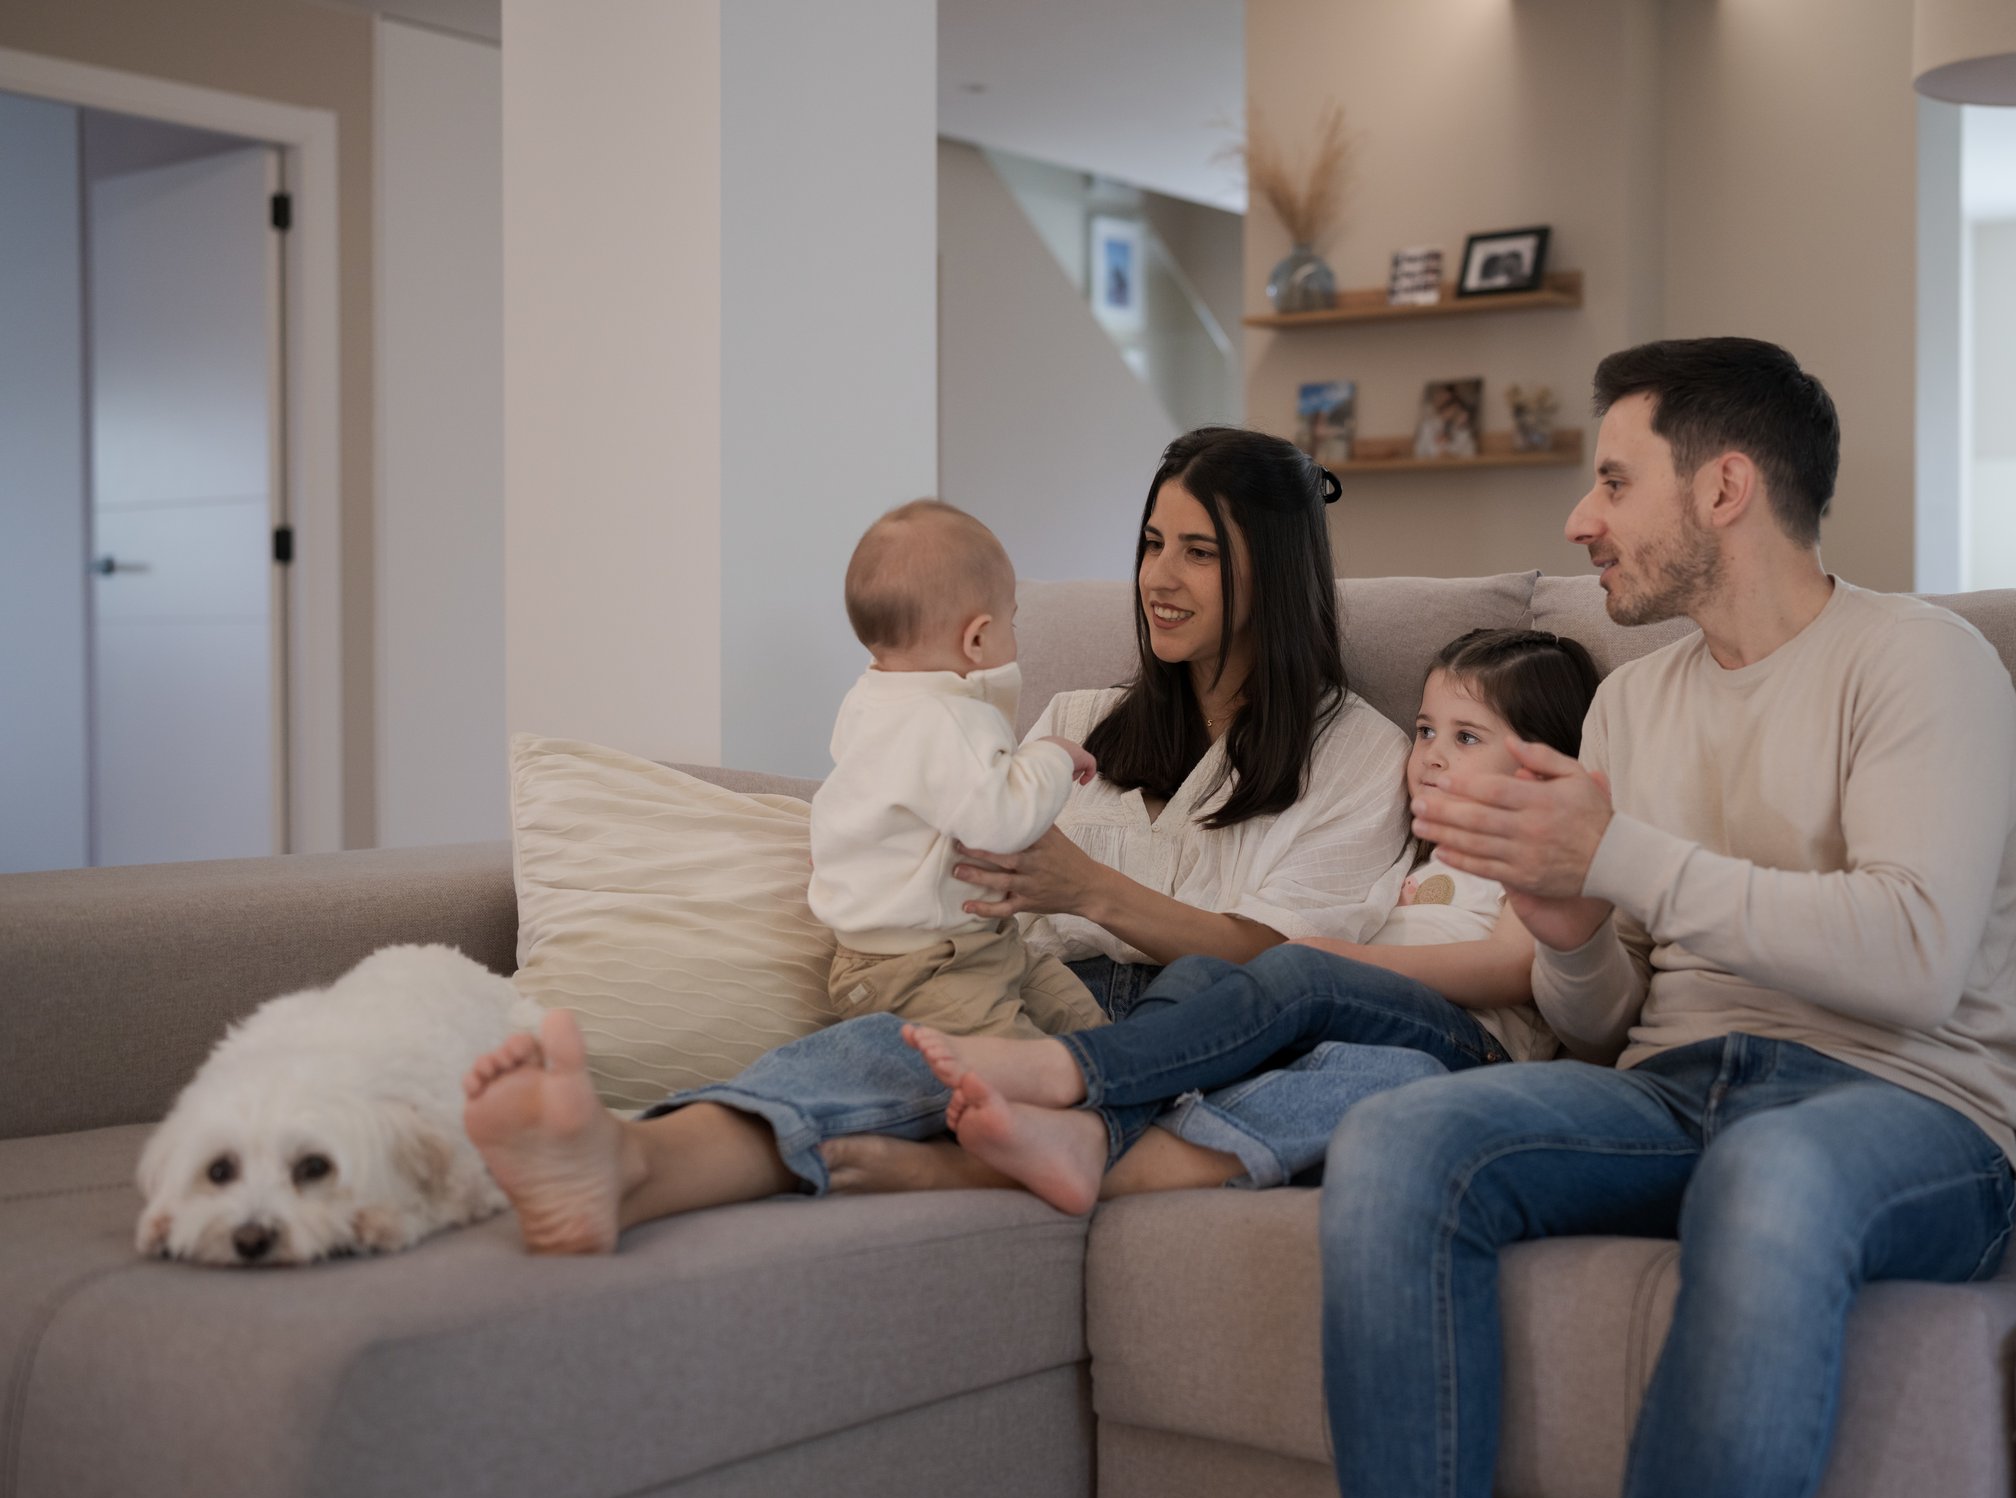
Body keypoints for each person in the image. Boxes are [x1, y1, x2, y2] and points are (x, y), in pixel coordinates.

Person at [1319, 337, 2016, 1498]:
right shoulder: (1631, 705)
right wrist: (1568, 924)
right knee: (1392, 1145)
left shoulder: (1921, 662)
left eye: (1613, 482)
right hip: (1675, 1089)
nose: (1579, 520)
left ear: (1723, 489)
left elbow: (1918, 959)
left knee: (1773, 1168)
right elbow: (1606, 1023)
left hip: (1911, 1107)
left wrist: (1624, 856)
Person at [461, 427, 1414, 1252]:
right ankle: (633, 1159)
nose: (1157, 578)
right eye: (1153, 543)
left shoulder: (1362, 756)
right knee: (890, 1046)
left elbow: (1291, 968)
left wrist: (1088, 890)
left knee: (1379, 1074)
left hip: (1200, 1026)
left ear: (1275, 573)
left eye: (1199, 552)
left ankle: (996, 1165)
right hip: (1032, 986)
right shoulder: (1078, 718)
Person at [903, 627, 1600, 1215]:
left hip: (1474, 1047)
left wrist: (1336, 962)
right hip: (1375, 1042)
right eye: (1425, 731)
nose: (1431, 755)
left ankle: (1076, 1084)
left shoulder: (1537, 857)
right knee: (1230, 992)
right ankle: (1102, 1144)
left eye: (1467, 737)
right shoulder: (1414, 856)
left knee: (1301, 977)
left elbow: (1514, 968)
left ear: (1541, 767)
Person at [806, 500, 1102, 1041]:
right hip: (918, 967)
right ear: (977, 639)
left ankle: (1106, 1078)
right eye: (1011, 624)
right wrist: (1053, 755)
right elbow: (1004, 820)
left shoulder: (871, 697)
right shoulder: (949, 718)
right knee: (1019, 1064)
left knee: (1082, 1023)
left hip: (978, 943)